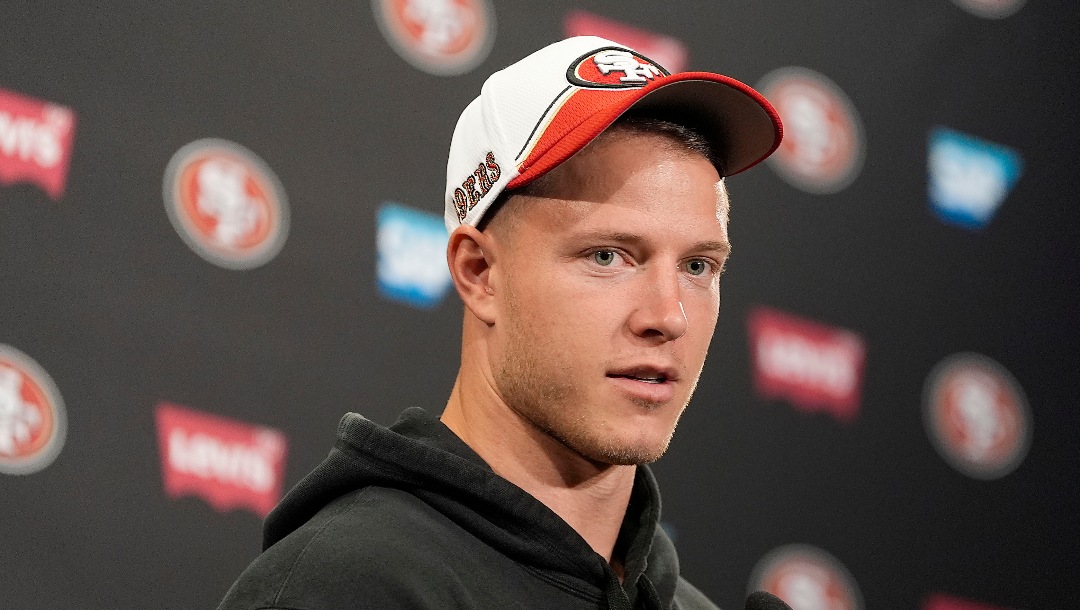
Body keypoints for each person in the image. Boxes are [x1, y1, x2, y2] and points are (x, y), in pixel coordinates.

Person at [218, 35, 782, 610]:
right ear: (479, 271)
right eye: (607, 256)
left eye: (697, 265)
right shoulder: (347, 588)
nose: (668, 316)